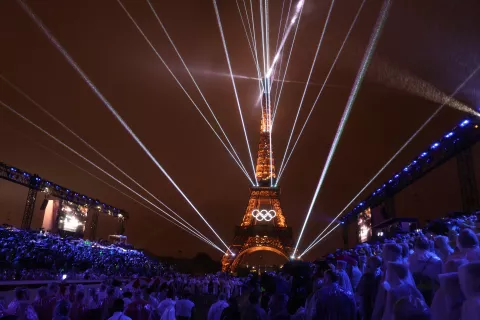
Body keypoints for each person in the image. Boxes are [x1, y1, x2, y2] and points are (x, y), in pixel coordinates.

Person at [409, 236, 442, 305]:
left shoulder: (411, 258)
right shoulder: (436, 259)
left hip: (416, 290)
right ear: (428, 245)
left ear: (416, 245)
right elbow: (439, 278)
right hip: (432, 290)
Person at [357, 256, 382, 320]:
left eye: (368, 265)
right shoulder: (379, 276)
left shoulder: (367, 277)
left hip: (368, 306)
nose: (366, 266)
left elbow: (361, 292)